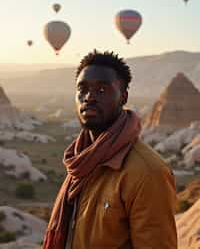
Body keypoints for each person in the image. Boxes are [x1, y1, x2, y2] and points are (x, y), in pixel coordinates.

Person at [42, 50, 177, 249]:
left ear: (123, 97)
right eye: (82, 89)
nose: (89, 97)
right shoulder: (82, 160)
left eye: (102, 90)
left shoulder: (148, 172)